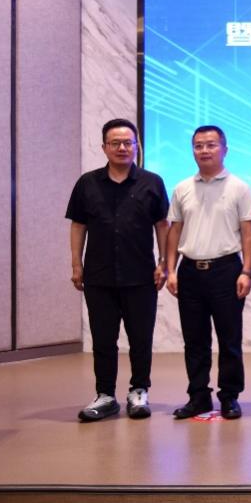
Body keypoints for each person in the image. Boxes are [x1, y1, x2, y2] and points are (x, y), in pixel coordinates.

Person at [66, 118, 169, 422]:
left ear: (137, 146)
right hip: (98, 276)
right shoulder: (87, 183)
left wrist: (164, 262)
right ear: (104, 147)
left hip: (141, 276)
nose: (122, 148)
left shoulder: (152, 182)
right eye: (115, 143)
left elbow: (162, 225)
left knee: (140, 338)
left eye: (128, 142)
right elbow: (78, 225)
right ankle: (105, 395)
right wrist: (76, 263)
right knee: (103, 339)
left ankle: (139, 391)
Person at [166, 125, 251, 420]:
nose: (204, 150)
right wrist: (170, 270)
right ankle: (198, 396)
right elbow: (174, 230)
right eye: (198, 146)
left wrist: (247, 271)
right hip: (190, 271)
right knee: (195, 340)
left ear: (224, 149)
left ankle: (229, 396)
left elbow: (248, 232)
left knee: (229, 339)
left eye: (211, 145)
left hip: (226, 270)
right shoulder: (182, 188)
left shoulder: (239, 187)